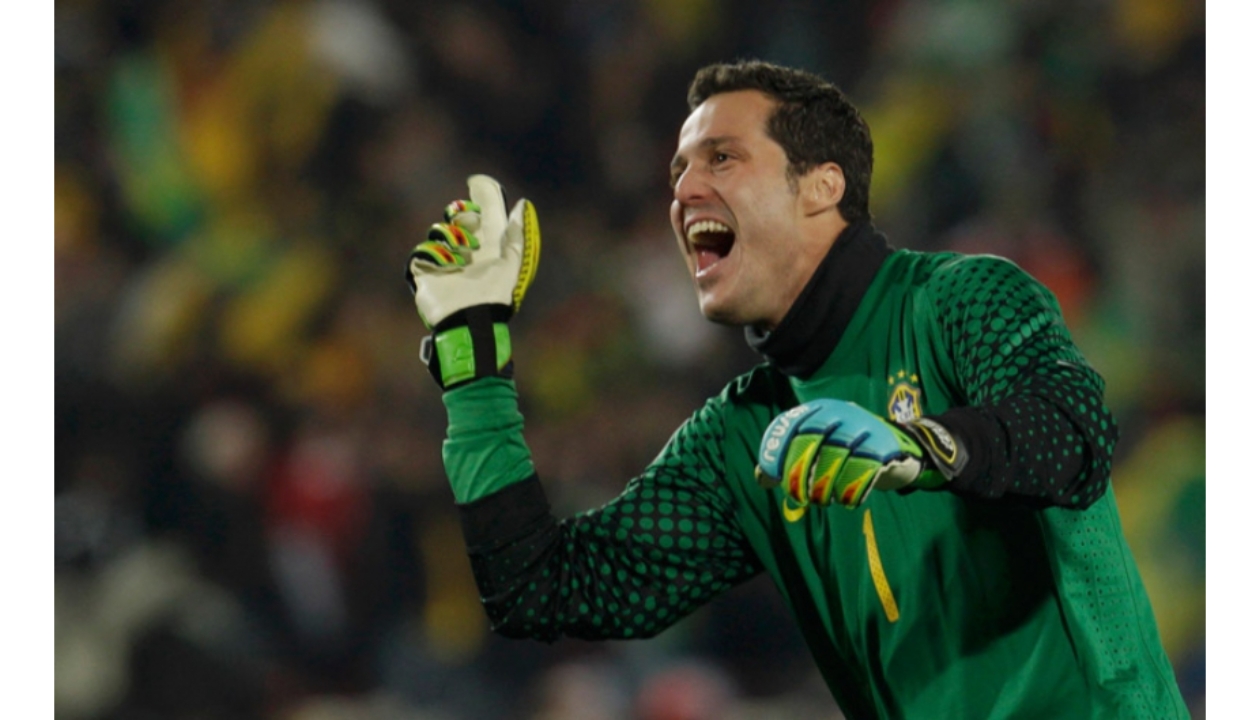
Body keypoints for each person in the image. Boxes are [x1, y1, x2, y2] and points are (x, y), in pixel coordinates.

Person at [403, 60, 1188, 719]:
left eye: (720, 159)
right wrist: (473, 370)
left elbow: (1075, 432)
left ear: (820, 186)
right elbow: (545, 592)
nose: (682, 193)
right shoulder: (740, 435)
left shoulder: (961, 299)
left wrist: (921, 448)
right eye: (677, 172)